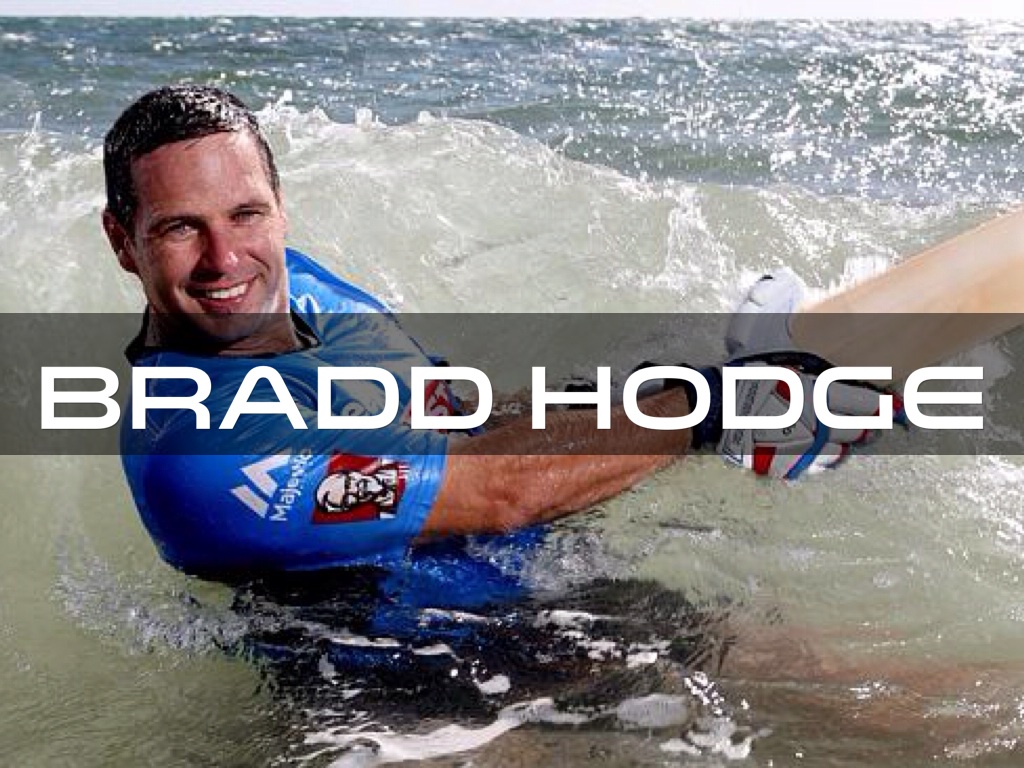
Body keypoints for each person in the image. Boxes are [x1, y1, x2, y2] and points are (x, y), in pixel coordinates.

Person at [103, 85, 891, 582]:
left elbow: (455, 418)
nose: (224, 258)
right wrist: (713, 407)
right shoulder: (196, 453)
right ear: (123, 240)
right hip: (410, 692)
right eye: (180, 228)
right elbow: (498, 490)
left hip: (540, 593)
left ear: (280, 208)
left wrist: (650, 391)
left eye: (246, 214)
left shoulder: (300, 286)